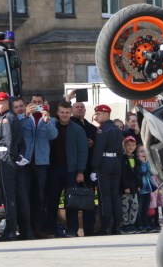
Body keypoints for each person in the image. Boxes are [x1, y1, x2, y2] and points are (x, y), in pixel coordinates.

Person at [45, 101, 89, 238]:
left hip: (71, 170)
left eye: (67, 112)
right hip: (54, 169)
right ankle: (51, 229)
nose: (64, 115)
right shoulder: (52, 126)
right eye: (62, 112)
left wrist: (80, 171)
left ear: (71, 113)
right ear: (57, 113)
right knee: (52, 200)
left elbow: (83, 152)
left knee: (71, 202)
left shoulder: (77, 129)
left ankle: (72, 230)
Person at [19, 94, 58, 237]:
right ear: (29, 103)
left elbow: (53, 135)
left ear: (44, 103)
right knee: (26, 196)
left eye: (39, 102)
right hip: (26, 162)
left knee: (40, 197)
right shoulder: (24, 118)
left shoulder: (50, 120)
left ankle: (39, 227)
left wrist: (46, 122)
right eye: (34, 102)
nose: (36, 104)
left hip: (41, 163)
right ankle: (26, 228)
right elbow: (16, 131)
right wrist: (25, 115)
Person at [0, 92, 28, 240]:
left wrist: (13, 156)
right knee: (20, 196)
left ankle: (11, 231)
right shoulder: (12, 118)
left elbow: (8, 141)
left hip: (6, 159)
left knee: (9, 196)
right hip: (14, 160)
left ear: (6, 103)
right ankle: (26, 230)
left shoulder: (6, 119)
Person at [91, 104, 124, 235]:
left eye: (99, 114)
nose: (96, 116)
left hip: (105, 162)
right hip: (116, 162)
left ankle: (106, 227)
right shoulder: (117, 129)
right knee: (115, 195)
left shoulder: (102, 130)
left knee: (105, 196)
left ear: (106, 115)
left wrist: (94, 168)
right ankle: (117, 226)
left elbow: (98, 150)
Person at [70, 100, 98, 236]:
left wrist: (93, 144)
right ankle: (72, 229)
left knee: (88, 200)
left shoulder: (92, 128)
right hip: (72, 168)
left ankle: (89, 228)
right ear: (72, 110)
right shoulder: (69, 125)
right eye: (77, 107)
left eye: (82, 107)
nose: (80, 109)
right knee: (72, 199)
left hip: (88, 168)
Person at [119, 136, 139, 234]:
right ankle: (124, 224)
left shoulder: (135, 158)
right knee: (125, 206)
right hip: (126, 187)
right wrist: (125, 186)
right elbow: (122, 174)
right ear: (124, 146)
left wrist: (138, 185)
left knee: (135, 205)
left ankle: (132, 223)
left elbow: (137, 173)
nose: (130, 147)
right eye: (128, 145)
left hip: (134, 186)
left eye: (133, 145)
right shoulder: (122, 158)